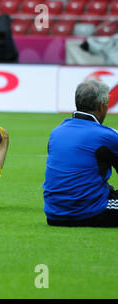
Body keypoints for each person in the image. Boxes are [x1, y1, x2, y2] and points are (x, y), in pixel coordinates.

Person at [43, 79, 118, 227]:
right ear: (102, 106)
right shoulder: (106, 136)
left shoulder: (56, 132)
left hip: (53, 213)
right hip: (89, 213)